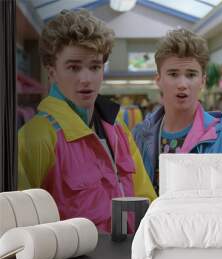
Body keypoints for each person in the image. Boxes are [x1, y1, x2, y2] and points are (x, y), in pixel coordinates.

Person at [18, 9, 156, 233]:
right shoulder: (37, 136)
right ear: (51, 71)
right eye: (73, 67)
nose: (86, 79)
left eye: (94, 67)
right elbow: (19, 230)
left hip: (129, 258)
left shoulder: (118, 129)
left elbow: (146, 196)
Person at [133, 28, 222, 194]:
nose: (182, 84)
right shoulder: (139, 137)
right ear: (159, 80)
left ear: (202, 81)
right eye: (173, 74)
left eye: (191, 75)